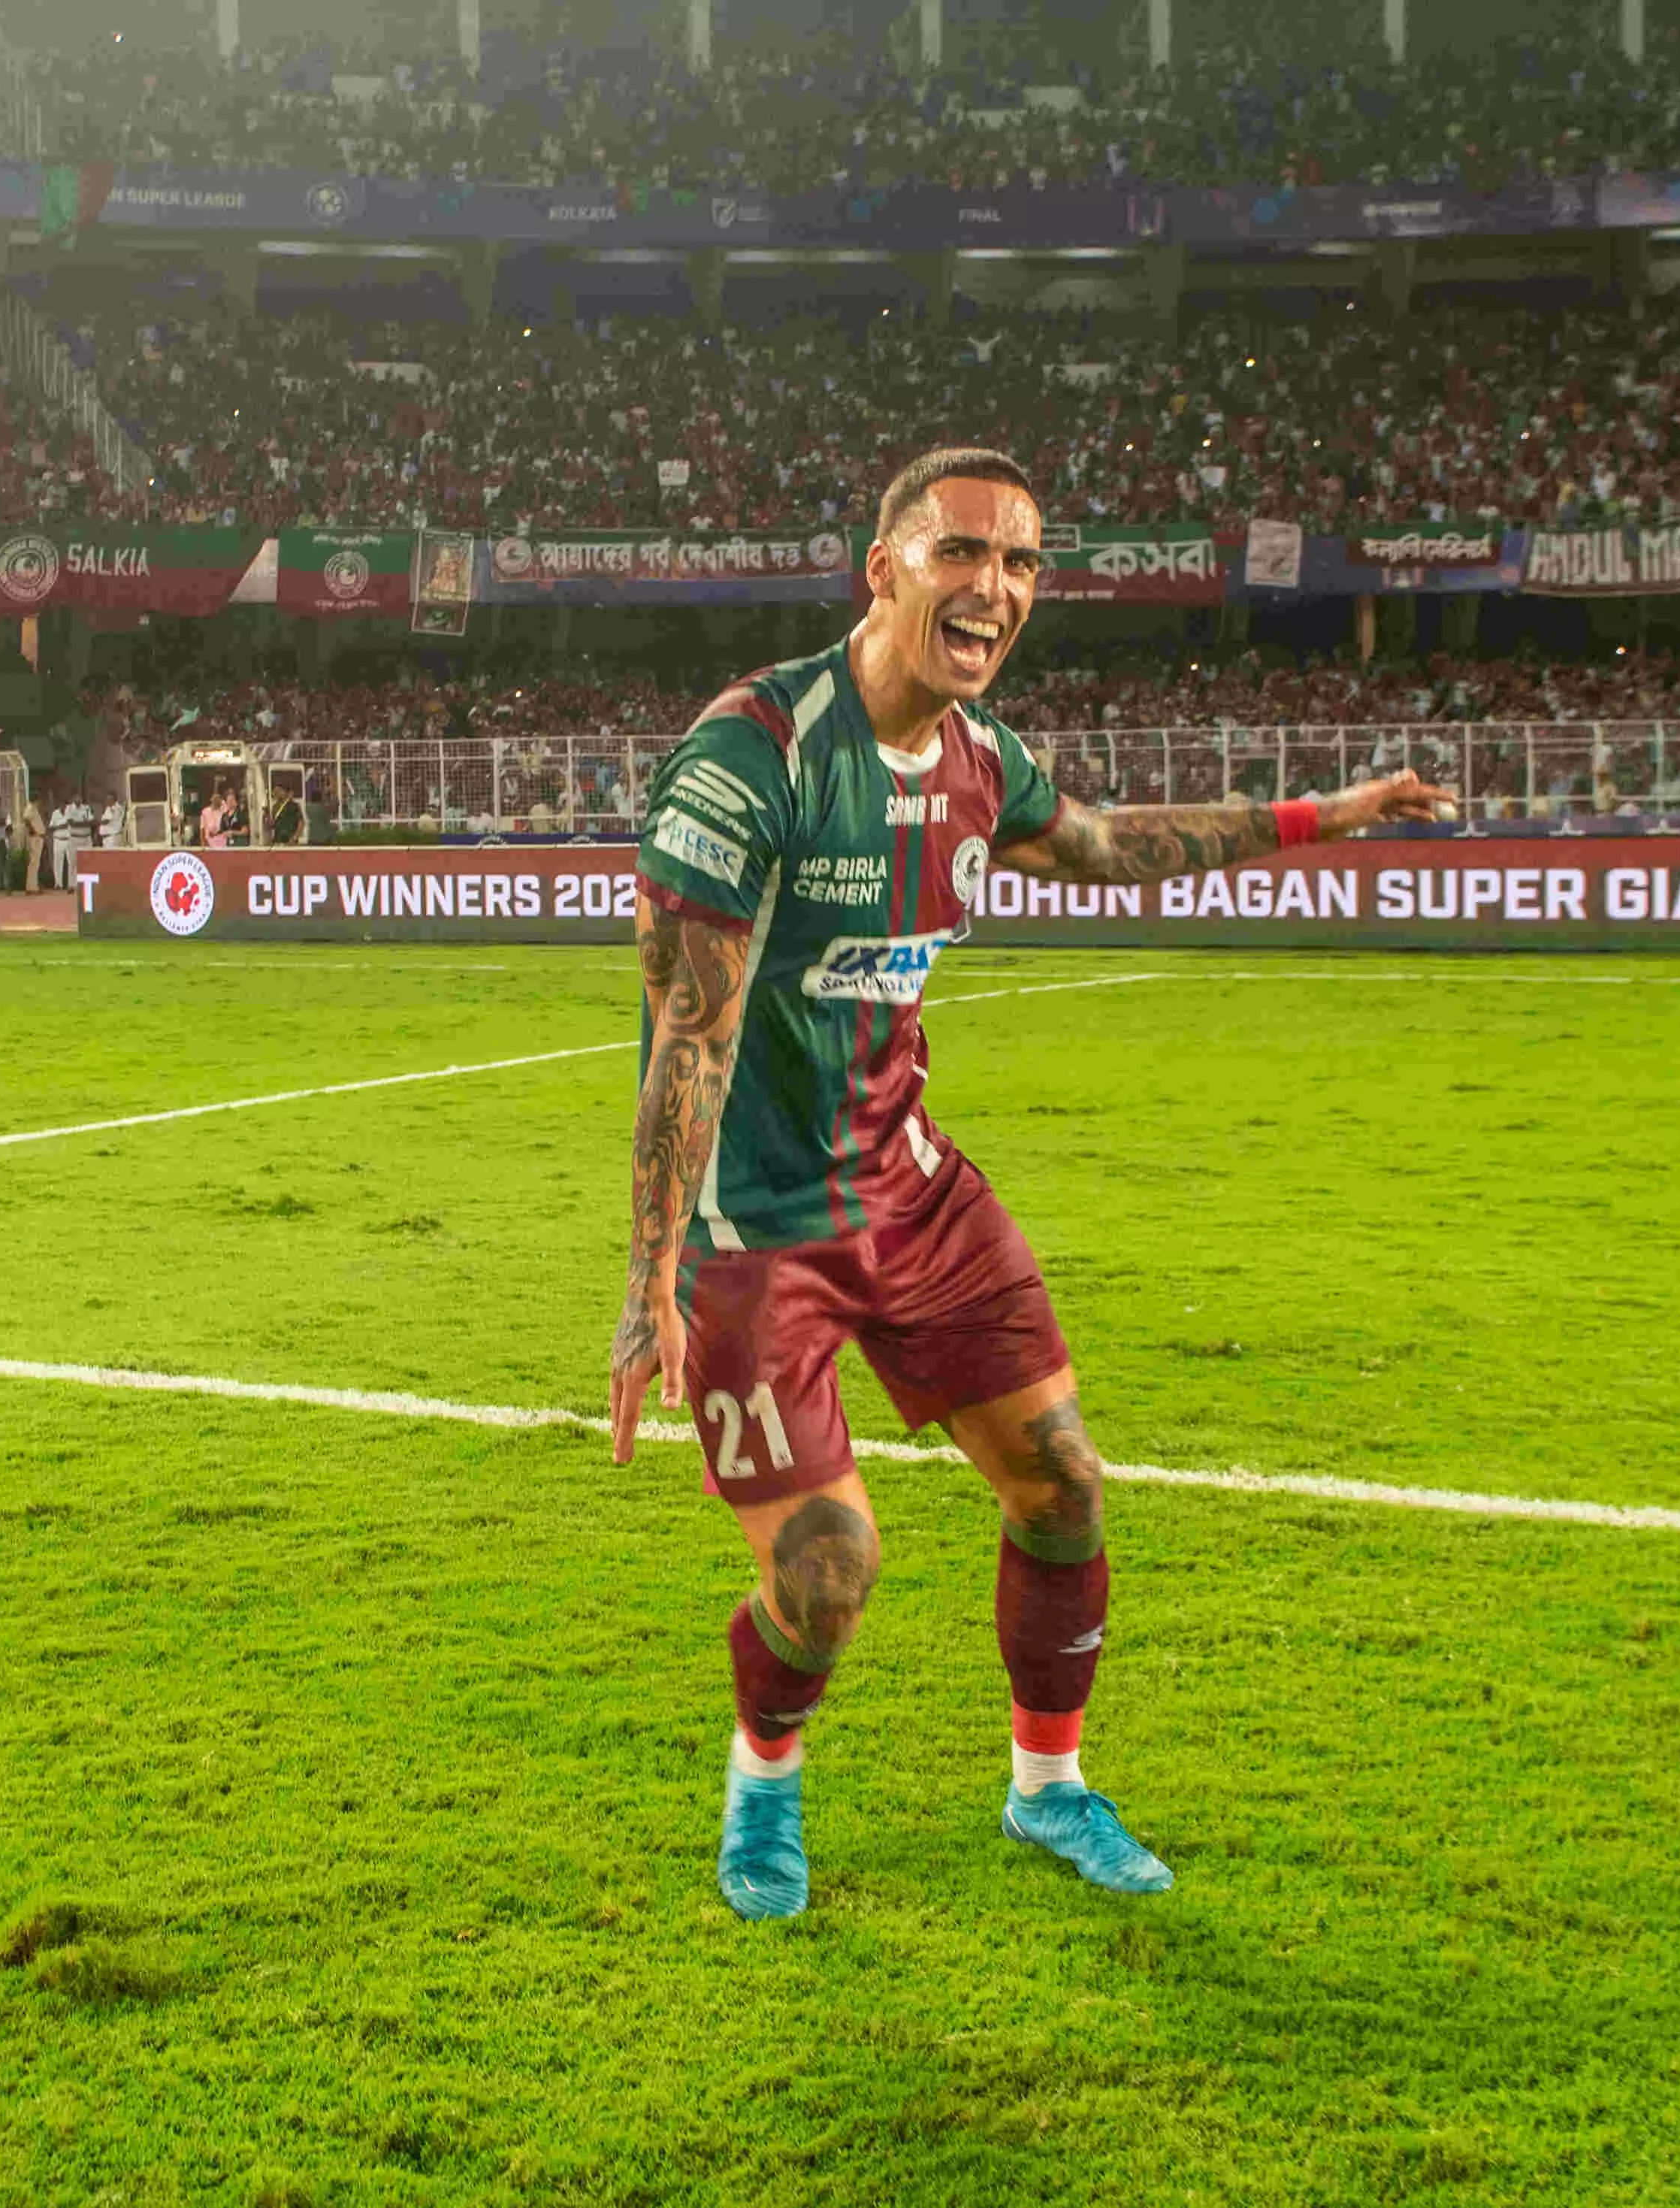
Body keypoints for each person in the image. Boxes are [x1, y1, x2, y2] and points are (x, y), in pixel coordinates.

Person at [608, 446, 1450, 1925]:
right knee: (830, 1569)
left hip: (917, 1193)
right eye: (960, 553)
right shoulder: (752, 757)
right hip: (755, 1237)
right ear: (882, 571)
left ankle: (1045, 1786)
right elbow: (691, 1030)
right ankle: (763, 1776)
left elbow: (1116, 848)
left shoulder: (984, 761)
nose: (993, 585)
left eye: (1022, 562)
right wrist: (645, 1284)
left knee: (1061, 1483)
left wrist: (1325, 813)